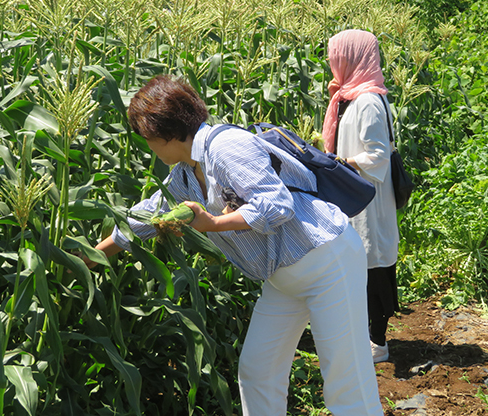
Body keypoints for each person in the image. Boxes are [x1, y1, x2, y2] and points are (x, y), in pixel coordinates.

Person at [91, 74, 384, 416]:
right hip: (284, 279)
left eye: (147, 137)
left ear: (164, 131)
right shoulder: (187, 172)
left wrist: (214, 224)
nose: (147, 145)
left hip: (326, 262)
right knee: (258, 372)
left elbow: (276, 204)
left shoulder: (225, 147)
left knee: (345, 384)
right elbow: (148, 216)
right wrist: (92, 257)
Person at [322, 29, 400, 364]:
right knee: (361, 263)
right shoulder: (350, 96)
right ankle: (364, 335)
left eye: (336, 56)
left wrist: (344, 162)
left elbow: (379, 155)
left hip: (368, 196)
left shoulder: (367, 101)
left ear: (352, 58)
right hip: (355, 194)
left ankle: (377, 343)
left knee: (373, 266)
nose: (331, 62)